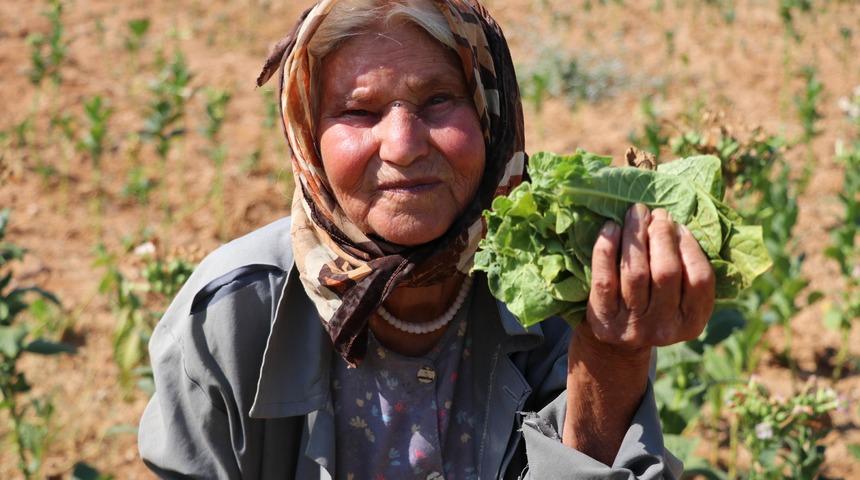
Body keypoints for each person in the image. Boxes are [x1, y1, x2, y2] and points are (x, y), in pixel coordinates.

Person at [137, 0, 716, 478]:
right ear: (308, 137)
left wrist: (610, 361)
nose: (403, 145)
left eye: (438, 100)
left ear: (491, 114)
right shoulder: (230, 318)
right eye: (358, 111)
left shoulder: (562, 292)